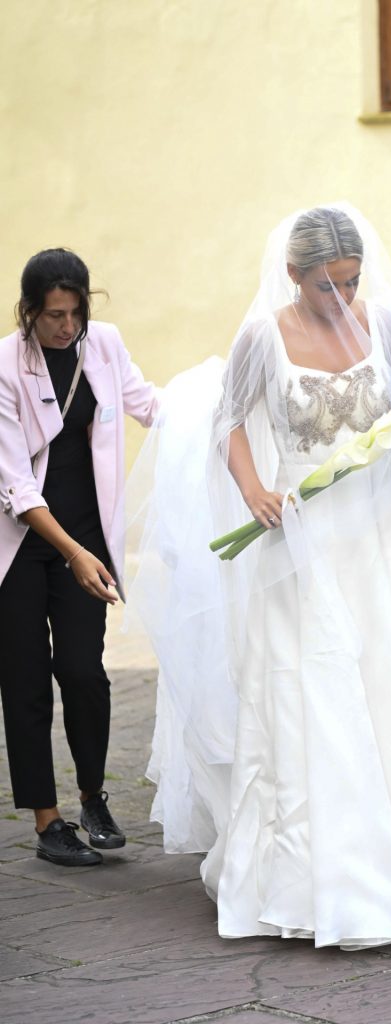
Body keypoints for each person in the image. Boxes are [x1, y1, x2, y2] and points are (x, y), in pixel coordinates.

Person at [128, 205, 391, 948]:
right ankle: (323, 883)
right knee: (312, 695)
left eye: (350, 283)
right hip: (301, 535)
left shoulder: (386, 322)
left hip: (386, 530)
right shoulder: (262, 336)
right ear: (293, 276)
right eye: (325, 286)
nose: (339, 299)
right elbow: (228, 422)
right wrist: (256, 489)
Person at [0, 249, 160, 867]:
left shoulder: (106, 344)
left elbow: (149, 404)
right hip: (22, 545)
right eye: (52, 316)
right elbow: (16, 485)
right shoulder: (7, 365)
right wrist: (72, 553)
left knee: (85, 673)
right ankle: (47, 820)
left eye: (75, 314)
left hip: (85, 540)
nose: (66, 327)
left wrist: (224, 413)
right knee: (26, 681)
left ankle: (94, 797)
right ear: (29, 313)